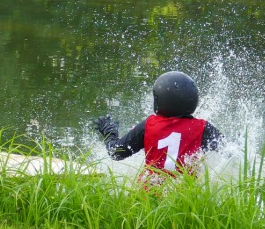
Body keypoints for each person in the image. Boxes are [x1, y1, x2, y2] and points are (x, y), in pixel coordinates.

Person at [94, 71, 225, 173]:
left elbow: (116, 153)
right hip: (186, 193)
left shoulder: (150, 125)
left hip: (149, 195)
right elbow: (229, 152)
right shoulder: (203, 127)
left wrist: (108, 131)